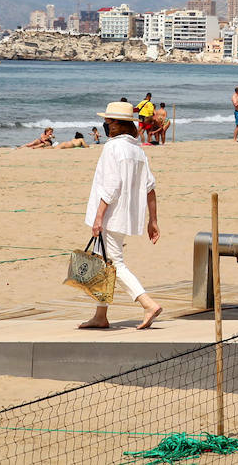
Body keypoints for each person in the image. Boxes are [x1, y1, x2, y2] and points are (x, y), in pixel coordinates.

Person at [80, 101, 162, 330]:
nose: (105, 125)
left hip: (111, 216)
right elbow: (150, 187)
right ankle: (100, 315)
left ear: (117, 125)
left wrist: (98, 218)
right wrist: (152, 220)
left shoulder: (113, 147)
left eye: (108, 122)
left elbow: (111, 186)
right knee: (104, 264)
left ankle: (147, 303)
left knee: (114, 263)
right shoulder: (137, 150)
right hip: (126, 216)